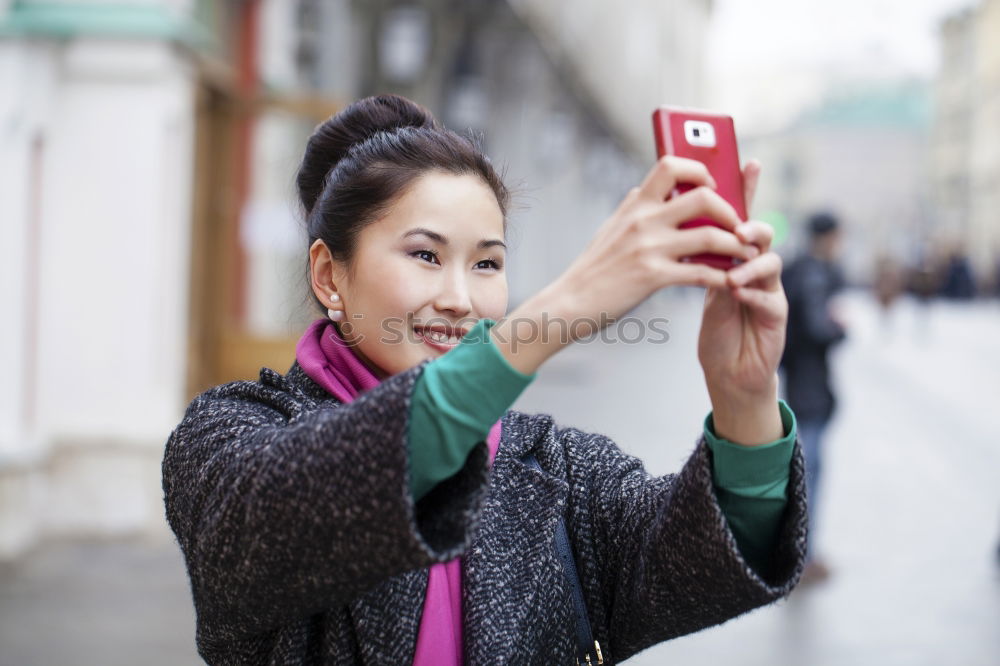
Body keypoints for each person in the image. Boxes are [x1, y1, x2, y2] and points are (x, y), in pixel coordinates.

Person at [162, 94, 807, 665]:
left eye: (488, 263)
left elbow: (706, 559)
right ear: (330, 275)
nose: (459, 299)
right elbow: (282, 517)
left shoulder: (554, 468)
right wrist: (562, 312)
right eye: (425, 255)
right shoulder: (230, 433)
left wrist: (743, 397)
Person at [780, 211, 846, 584]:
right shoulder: (816, 273)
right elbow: (821, 327)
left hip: (797, 383)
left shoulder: (795, 269)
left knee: (803, 469)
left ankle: (800, 553)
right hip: (811, 389)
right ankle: (802, 557)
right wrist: (840, 327)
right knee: (809, 472)